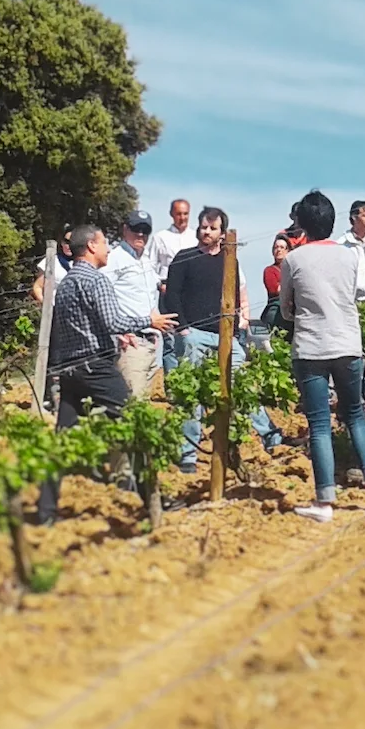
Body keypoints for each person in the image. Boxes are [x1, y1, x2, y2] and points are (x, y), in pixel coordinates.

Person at [48, 224, 177, 521]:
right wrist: (149, 320)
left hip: (71, 370)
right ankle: (154, 500)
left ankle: (45, 510)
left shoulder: (66, 283)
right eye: (105, 243)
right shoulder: (96, 280)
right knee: (136, 425)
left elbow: (78, 326)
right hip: (98, 370)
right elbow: (113, 319)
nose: (108, 248)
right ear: (92, 246)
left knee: (60, 442)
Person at [281, 191, 365, 521]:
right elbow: (352, 292)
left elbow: (286, 309)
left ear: (301, 224)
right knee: (355, 413)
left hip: (311, 347)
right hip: (347, 343)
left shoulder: (292, 260)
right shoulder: (349, 257)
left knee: (319, 425)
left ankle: (324, 502)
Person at [162, 206, 284, 469]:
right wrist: (183, 329)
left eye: (212, 228)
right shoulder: (184, 258)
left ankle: (270, 436)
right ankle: (187, 457)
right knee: (191, 395)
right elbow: (172, 296)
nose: (206, 231)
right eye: (204, 226)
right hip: (193, 335)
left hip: (225, 338)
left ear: (222, 233)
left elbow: (236, 297)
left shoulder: (230, 261)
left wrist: (237, 327)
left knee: (242, 386)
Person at [101, 211, 164, 398]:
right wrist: (118, 332)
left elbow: (150, 298)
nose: (141, 235)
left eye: (145, 230)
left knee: (142, 406)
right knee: (133, 405)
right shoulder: (114, 259)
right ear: (125, 229)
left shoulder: (146, 261)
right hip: (131, 344)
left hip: (151, 344)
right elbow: (101, 296)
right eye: (136, 229)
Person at [150, 199, 195, 282]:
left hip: (191, 285)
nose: (182, 218)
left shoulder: (196, 237)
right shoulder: (160, 237)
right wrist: (159, 284)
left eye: (185, 214)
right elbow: (151, 266)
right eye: (178, 214)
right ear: (171, 214)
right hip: (167, 285)